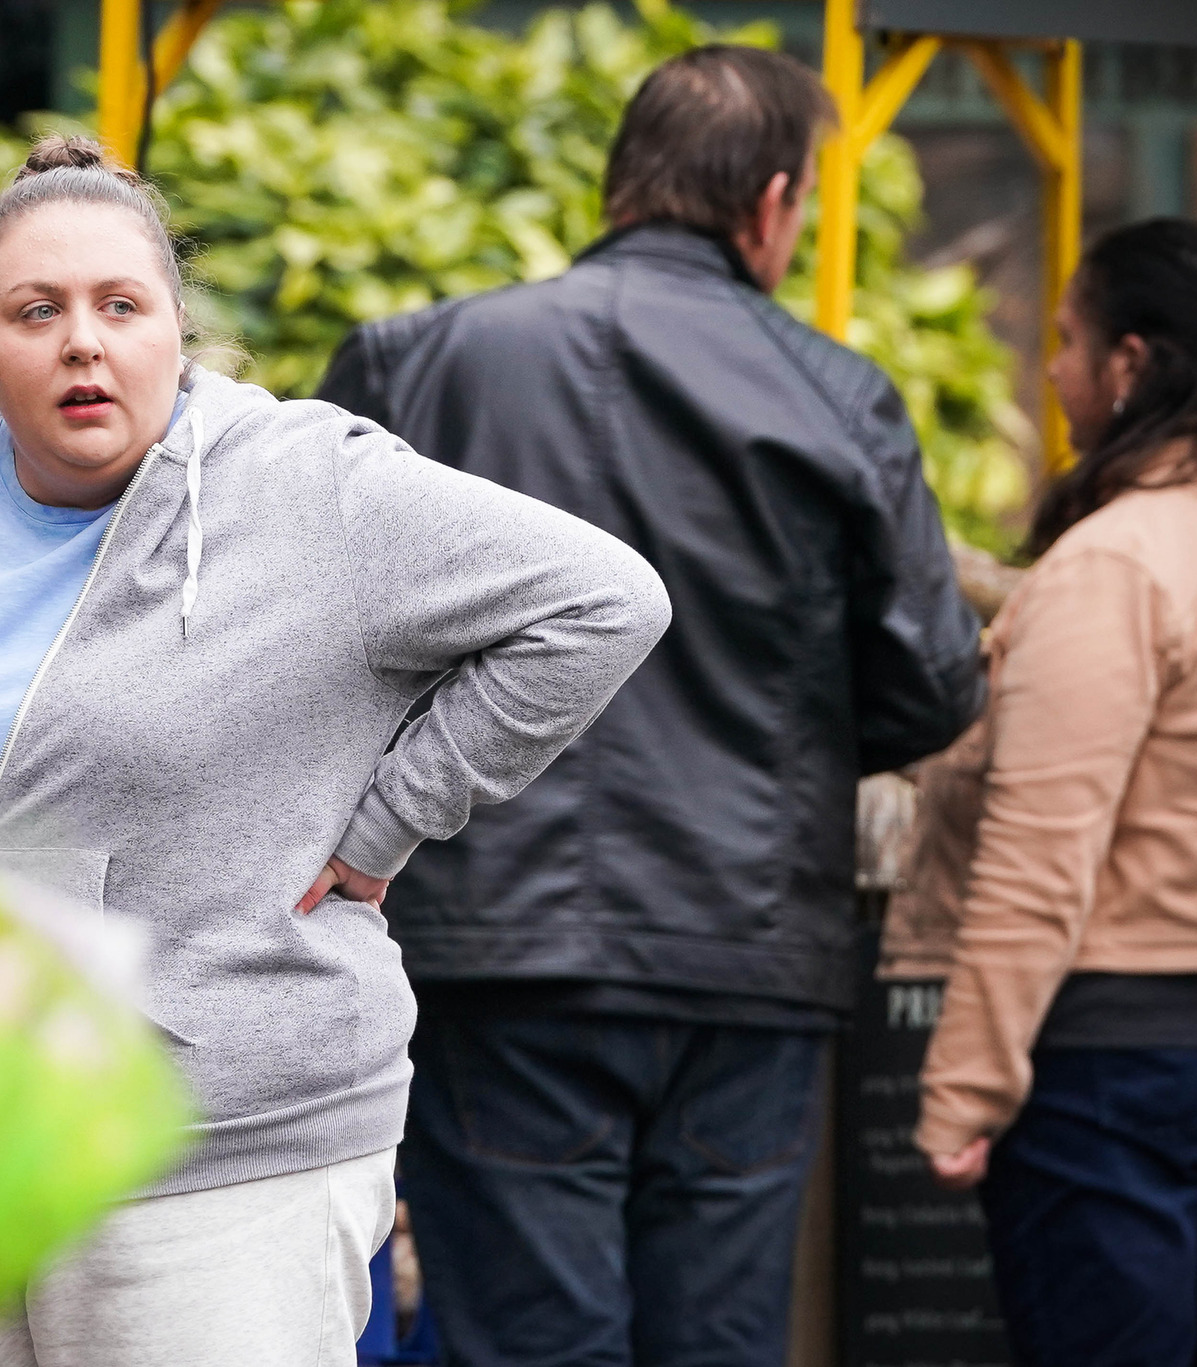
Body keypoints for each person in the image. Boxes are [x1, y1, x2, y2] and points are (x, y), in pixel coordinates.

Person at [0, 135, 669, 1366]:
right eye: (36, 311)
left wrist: (387, 819)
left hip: (223, 1148)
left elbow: (601, 600)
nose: (82, 340)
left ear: (173, 333)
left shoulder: (307, 491)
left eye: (119, 306)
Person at [317, 45, 983, 1367]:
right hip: (747, 953)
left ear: (621, 185)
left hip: (496, 952)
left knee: (524, 1338)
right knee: (720, 1339)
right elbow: (931, 680)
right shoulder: (837, 395)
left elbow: (313, 638)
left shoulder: (417, 360)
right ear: (776, 203)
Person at [912, 219, 1197, 1366]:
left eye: (1063, 341)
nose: (1049, 372)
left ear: (1129, 364)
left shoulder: (1117, 561)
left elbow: (1038, 849)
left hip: (1116, 1067)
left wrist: (963, 1086)